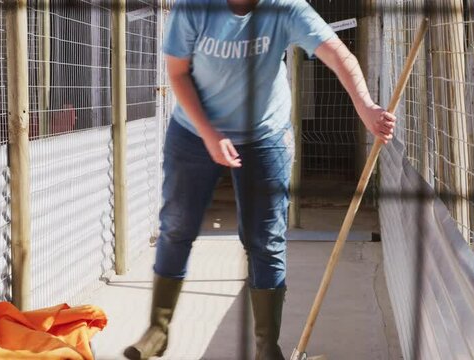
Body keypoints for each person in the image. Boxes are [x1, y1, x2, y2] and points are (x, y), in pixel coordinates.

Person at [123, 0, 396, 359]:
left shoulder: (285, 8)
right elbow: (177, 73)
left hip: (264, 134)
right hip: (193, 131)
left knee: (264, 239)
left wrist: (365, 105)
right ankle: (157, 331)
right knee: (177, 226)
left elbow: (337, 52)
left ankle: (268, 348)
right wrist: (210, 134)